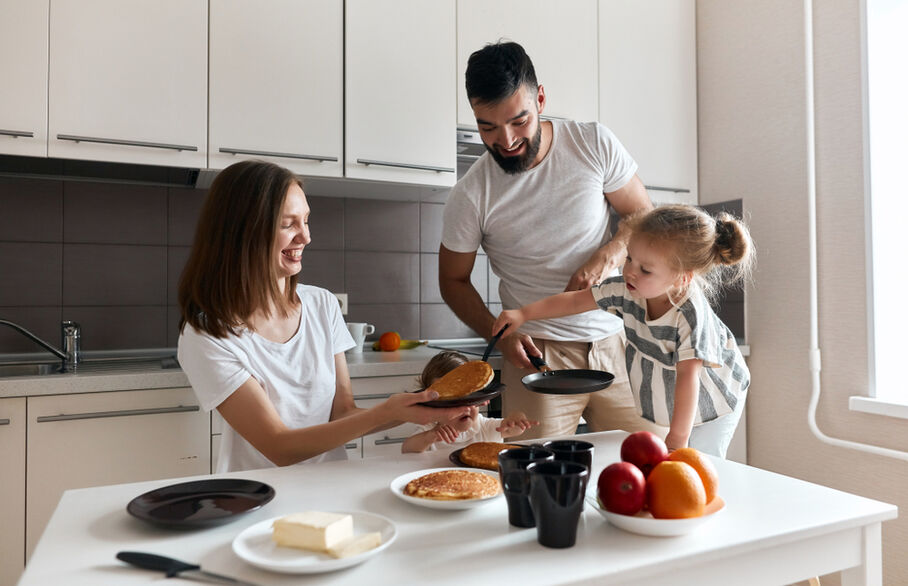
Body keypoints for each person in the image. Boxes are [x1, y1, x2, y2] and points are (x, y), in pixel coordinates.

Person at [177, 160, 470, 472]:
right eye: (288, 224)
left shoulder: (321, 305)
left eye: (306, 221)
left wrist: (429, 408)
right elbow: (278, 447)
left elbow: (342, 414)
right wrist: (388, 410)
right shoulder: (207, 335)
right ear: (240, 233)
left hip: (329, 488)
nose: (305, 237)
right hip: (258, 499)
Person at [440, 40, 662, 440]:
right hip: (536, 357)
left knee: (647, 468)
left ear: (540, 98)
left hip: (617, 341)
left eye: (518, 121)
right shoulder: (471, 194)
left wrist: (610, 254)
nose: (505, 141)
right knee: (532, 480)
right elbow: (452, 281)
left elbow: (642, 214)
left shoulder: (592, 143)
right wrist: (498, 332)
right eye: (487, 126)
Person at [492, 205, 755, 458]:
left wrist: (676, 440)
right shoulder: (627, 290)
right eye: (629, 258)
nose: (629, 270)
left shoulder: (690, 316)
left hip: (717, 396)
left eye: (645, 269)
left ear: (681, 278)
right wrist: (523, 313)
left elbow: (689, 379)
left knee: (702, 465)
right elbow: (575, 300)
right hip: (677, 392)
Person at [401, 351, 538, 453]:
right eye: (451, 402)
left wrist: (517, 418)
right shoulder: (431, 429)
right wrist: (429, 437)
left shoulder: (485, 427)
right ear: (433, 404)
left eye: (467, 399)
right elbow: (407, 448)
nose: (463, 408)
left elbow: (513, 429)